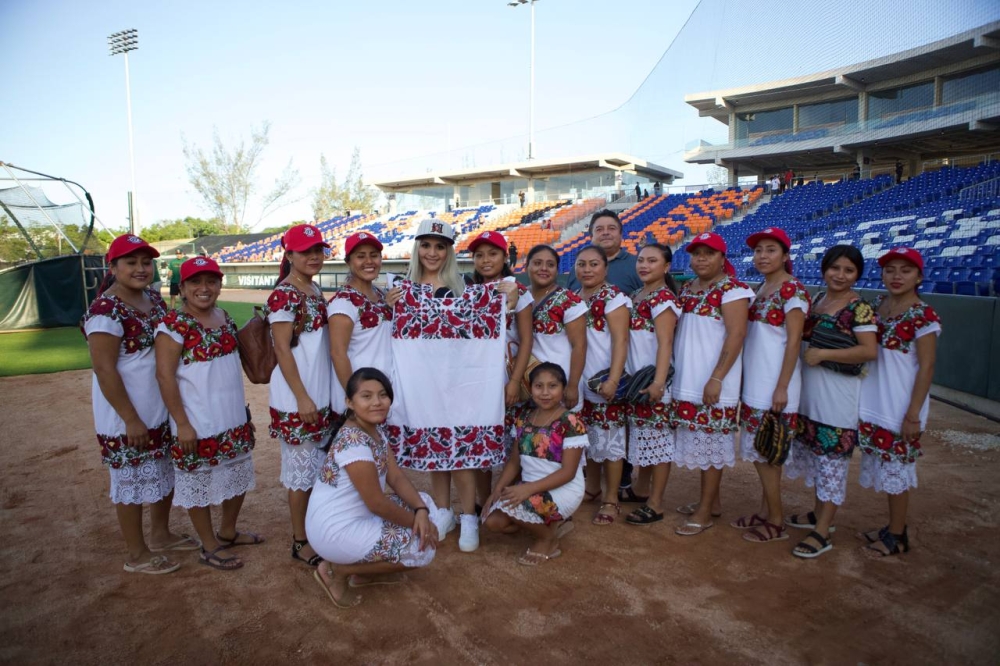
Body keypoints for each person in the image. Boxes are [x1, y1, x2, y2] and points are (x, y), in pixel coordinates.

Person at [388, 219, 515, 553]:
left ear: (449, 251)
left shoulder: (463, 288)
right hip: (422, 381)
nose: (433, 252)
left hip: (459, 381)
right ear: (417, 249)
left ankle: (469, 515)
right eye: (427, 245)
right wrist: (390, 307)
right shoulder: (401, 289)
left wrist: (508, 294)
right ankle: (444, 511)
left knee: (460, 451)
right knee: (434, 444)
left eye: (440, 246)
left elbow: (501, 306)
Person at [83, 234, 193, 575]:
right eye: (131, 262)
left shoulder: (154, 301)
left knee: (164, 471)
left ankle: (161, 534)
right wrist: (130, 419)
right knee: (130, 480)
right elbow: (104, 368)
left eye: (146, 262)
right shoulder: (105, 309)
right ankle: (136, 552)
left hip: (158, 407)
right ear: (113, 267)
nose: (141, 269)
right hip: (125, 413)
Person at [155, 256, 262, 571]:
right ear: (183, 288)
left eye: (211, 281)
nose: (204, 288)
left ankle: (227, 531)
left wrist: (242, 412)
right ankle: (209, 544)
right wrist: (182, 423)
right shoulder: (172, 325)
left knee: (237, 476)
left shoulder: (225, 317)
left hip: (231, 416)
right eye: (195, 282)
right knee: (198, 483)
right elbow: (164, 376)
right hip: (197, 421)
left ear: (219, 284)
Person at [308, 368, 439, 608]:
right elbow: (377, 503)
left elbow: (396, 477)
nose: (377, 402)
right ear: (349, 402)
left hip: (352, 518)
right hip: (335, 530)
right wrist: (418, 524)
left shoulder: (373, 430)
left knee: (426, 504)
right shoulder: (354, 441)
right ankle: (340, 570)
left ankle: (363, 571)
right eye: (366, 396)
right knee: (421, 549)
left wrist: (420, 510)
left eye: (382, 395)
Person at [785, 245, 877, 558]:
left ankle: (823, 531)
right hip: (811, 396)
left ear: (857, 275)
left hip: (838, 398)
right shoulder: (819, 300)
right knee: (817, 459)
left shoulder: (859, 308)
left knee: (832, 464)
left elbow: (868, 351)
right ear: (824, 269)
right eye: (835, 268)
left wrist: (824, 354)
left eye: (848, 270)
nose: (840, 275)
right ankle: (817, 513)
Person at [857, 248, 940, 558]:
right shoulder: (881, 307)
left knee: (897, 470)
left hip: (900, 404)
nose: (896, 276)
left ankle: (897, 534)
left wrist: (914, 413)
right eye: (890, 269)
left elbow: (927, 366)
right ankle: (891, 527)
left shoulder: (924, 315)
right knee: (883, 464)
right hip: (876, 399)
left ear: (918, 277)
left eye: (905, 270)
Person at [670, 232, 753, 536]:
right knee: (700, 444)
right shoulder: (689, 288)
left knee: (711, 447)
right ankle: (711, 503)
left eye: (709, 253)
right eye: (696, 253)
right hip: (689, 380)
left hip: (714, 383)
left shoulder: (733, 290)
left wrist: (717, 377)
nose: (701, 259)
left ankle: (704, 512)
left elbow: (736, 335)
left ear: (722, 258)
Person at [734, 228, 809, 544]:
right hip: (756, 385)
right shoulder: (763, 287)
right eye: (759, 251)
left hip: (775, 388)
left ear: (786, 256)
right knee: (761, 452)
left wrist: (782, 387)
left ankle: (776, 521)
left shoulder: (793, 291)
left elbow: (794, 343)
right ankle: (766, 512)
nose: (763, 256)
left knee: (769, 455)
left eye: (770, 250)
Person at [267, 224, 334, 568]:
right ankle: (300, 540)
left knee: (315, 469)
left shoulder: (312, 288)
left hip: (318, 394)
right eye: (305, 251)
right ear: (289, 254)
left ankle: (315, 530)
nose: (313, 256)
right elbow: (281, 348)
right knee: (300, 474)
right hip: (298, 398)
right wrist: (302, 398)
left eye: (317, 250)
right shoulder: (284, 293)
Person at [483, 363, 587, 565]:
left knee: (516, 506)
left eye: (552, 386)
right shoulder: (523, 419)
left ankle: (547, 538)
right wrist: (496, 491)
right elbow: (514, 462)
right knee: (493, 522)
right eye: (539, 386)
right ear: (530, 389)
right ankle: (551, 523)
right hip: (530, 487)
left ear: (563, 389)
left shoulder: (571, 421)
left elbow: (568, 472)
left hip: (563, 488)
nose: (545, 393)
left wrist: (528, 489)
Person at [470, 230, 534, 505]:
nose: (486, 260)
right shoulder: (469, 292)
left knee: (514, 447)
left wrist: (514, 381)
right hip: (477, 380)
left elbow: (526, 340)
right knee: (478, 442)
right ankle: (484, 501)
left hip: (507, 378)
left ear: (504, 257)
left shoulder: (516, 289)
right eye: (479, 255)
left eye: (492, 253)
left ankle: (511, 501)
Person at [623, 244, 680, 525]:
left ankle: (655, 503)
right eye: (641, 260)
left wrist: (658, 383)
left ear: (666, 266)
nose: (644, 265)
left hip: (654, 383)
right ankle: (641, 490)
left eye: (652, 261)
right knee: (644, 438)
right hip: (639, 380)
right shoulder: (639, 294)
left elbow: (665, 343)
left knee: (659, 443)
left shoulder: (663, 298)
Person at [575, 246, 631, 526]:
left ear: (605, 268)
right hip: (580, 381)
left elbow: (621, 341)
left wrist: (613, 379)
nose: (587, 269)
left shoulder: (614, 298)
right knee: (591, 441)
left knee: (611, 444)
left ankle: (611, 499)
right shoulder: (574, 298)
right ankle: (593, 488)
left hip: (603, 380)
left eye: (593, 264)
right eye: (582, 264)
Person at [328, 232, 393, 425]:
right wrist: (355, 400)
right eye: (360, 256)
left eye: (374, 255)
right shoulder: (343, 302)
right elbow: (338, 354)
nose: (369, 261)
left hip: (381, 397)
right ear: (349, 261)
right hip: (361, 401)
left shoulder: (381, 295)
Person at [526, 244, 588, 417]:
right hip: (528, 383)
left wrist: (573, 385)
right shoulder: (520, 297)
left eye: (550, 265)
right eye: (537, 263)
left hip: (561, 383)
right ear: (527, 266)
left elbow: (580, 346)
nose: (544, 268)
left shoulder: (569, 300)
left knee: (562, 439)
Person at [566, 210, 642, 303]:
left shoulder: (638, 266)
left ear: (621, 234)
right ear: (591, 236)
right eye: (599, 229)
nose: (605, 233)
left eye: (611, 228)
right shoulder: (577, 270)